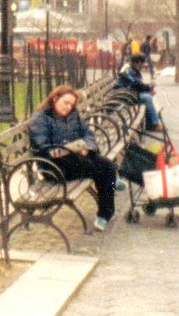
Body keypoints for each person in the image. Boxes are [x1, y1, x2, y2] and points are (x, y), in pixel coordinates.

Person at [28, 85, 124, 231]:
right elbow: (42, 147)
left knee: (107, 165)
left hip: (75, 159)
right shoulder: (41, 118)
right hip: (54, 167)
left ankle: (106, 207)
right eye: (65, 103)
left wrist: (87, 146)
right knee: (103, 171)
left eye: (71, 104)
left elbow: (88, 134)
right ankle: (105, 213)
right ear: (55, 99)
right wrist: (65, 149)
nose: (68, 107)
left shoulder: (73, 115)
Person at [116, 54, 161, 131]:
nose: (144, 65)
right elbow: (136, 84)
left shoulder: (133, 69)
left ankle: (150, 122)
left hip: (130, 92)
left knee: (148, 95)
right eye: (143, 63)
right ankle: (153, 124)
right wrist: (150, 86)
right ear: (138, 63)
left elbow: (138, 84)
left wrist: (149, 88)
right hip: (125, 95)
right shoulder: (129, 70)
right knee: (147, 98)